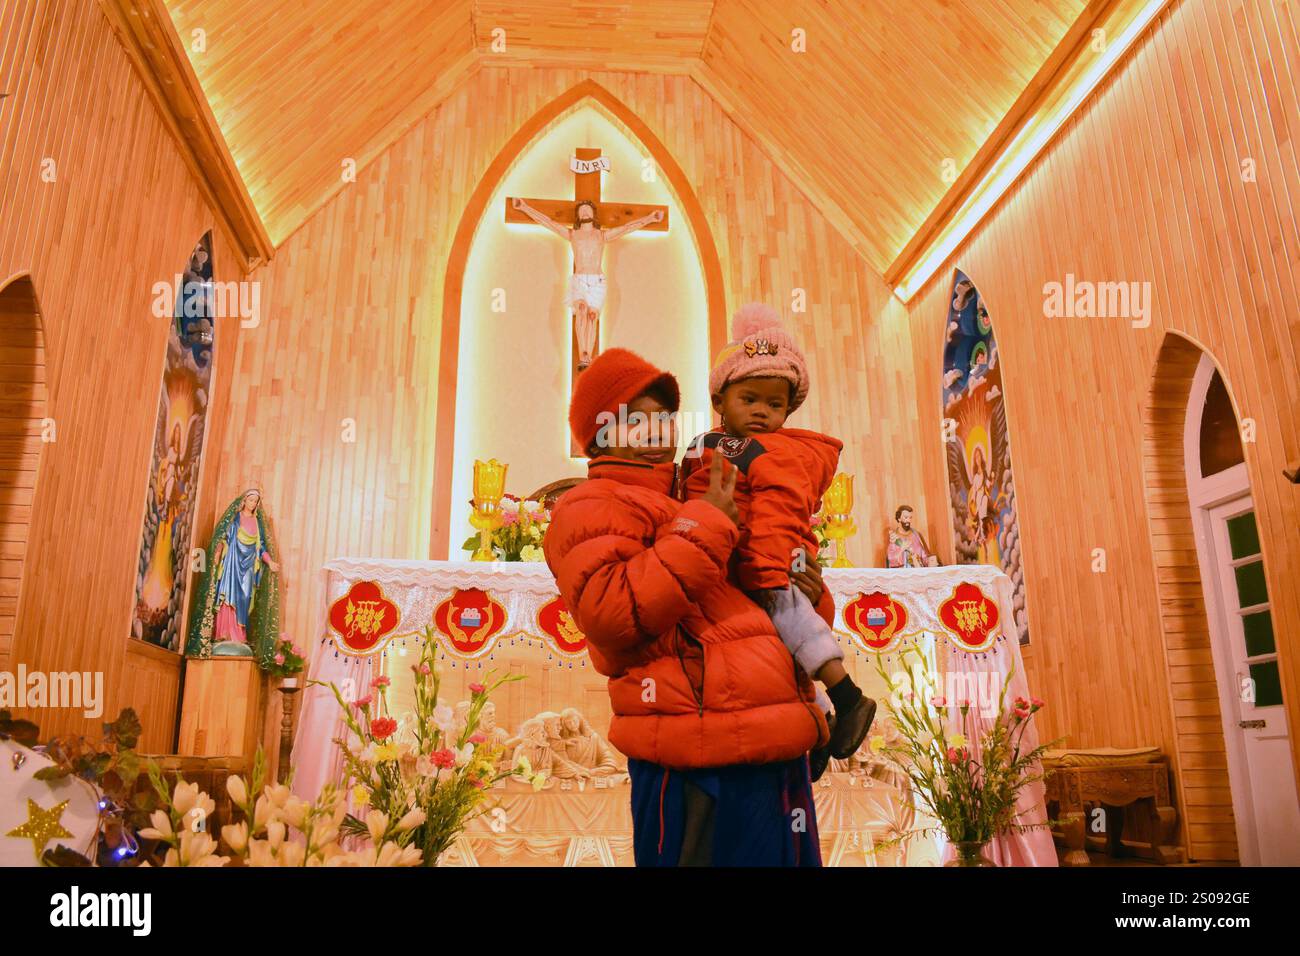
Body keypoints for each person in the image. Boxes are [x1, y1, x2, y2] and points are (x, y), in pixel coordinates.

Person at [543, 347, 829, 866]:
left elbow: (747, 601)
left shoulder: (696, 488)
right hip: (695, 751)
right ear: (602, 432)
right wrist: (706, 524)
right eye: (638, 418)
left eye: (664, 417)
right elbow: (611, 613)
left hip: (770, 740)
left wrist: (807, 592)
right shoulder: (590, 504)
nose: (658, 429)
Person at [681, 304, 876, 780]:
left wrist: (768, 574)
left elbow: (780, 514)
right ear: (720, 401)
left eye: (774, 405)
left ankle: (845, 698)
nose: (762, 412)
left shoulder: (777, 452)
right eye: (750, 399)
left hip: (764, 566)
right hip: (717, 573)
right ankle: (817, 728)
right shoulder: (700, 446)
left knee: (788, 616)